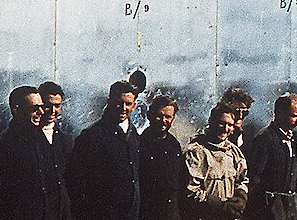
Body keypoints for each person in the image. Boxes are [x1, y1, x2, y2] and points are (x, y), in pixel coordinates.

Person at [0, 86, 70, 220]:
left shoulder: (43, 142)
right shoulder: (3, 146)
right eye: (34, 108)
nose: (41, 112)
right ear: (16, 110)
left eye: (42, 107)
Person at [69, 80, 143, 220]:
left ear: (134, 106)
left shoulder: (134, 136)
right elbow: (76, 183)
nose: (123, 108)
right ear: (109, 102)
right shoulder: (91, 137)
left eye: (128, 104)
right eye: (118, 102)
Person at [186, 104, 250, 220]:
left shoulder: (234, 152)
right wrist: (220, 206)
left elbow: (242, 181)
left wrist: (240, 198)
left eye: (230, 125)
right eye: (221, 123)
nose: (225, 129)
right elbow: (191, 190)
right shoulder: (196, 152)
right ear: (211, 122)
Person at [246, 95, 297, 220]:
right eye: (294, 116)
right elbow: (255, 177)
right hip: (269, 208)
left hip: (290, 207)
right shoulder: (264, 139)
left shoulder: (295, 139)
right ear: (280, 114)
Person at [141, 95, 188, 220]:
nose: (163, 120)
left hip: (170, 211)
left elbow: (181, 179)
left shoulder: (174, 144)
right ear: (149, 115)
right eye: (159, 116)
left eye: (168, 117)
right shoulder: (140, 143)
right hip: (147, 210)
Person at [39, 81, 75, 181]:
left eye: (57, 106)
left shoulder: (65, 138)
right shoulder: (29, 136)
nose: (53, 111)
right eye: (47, 106)